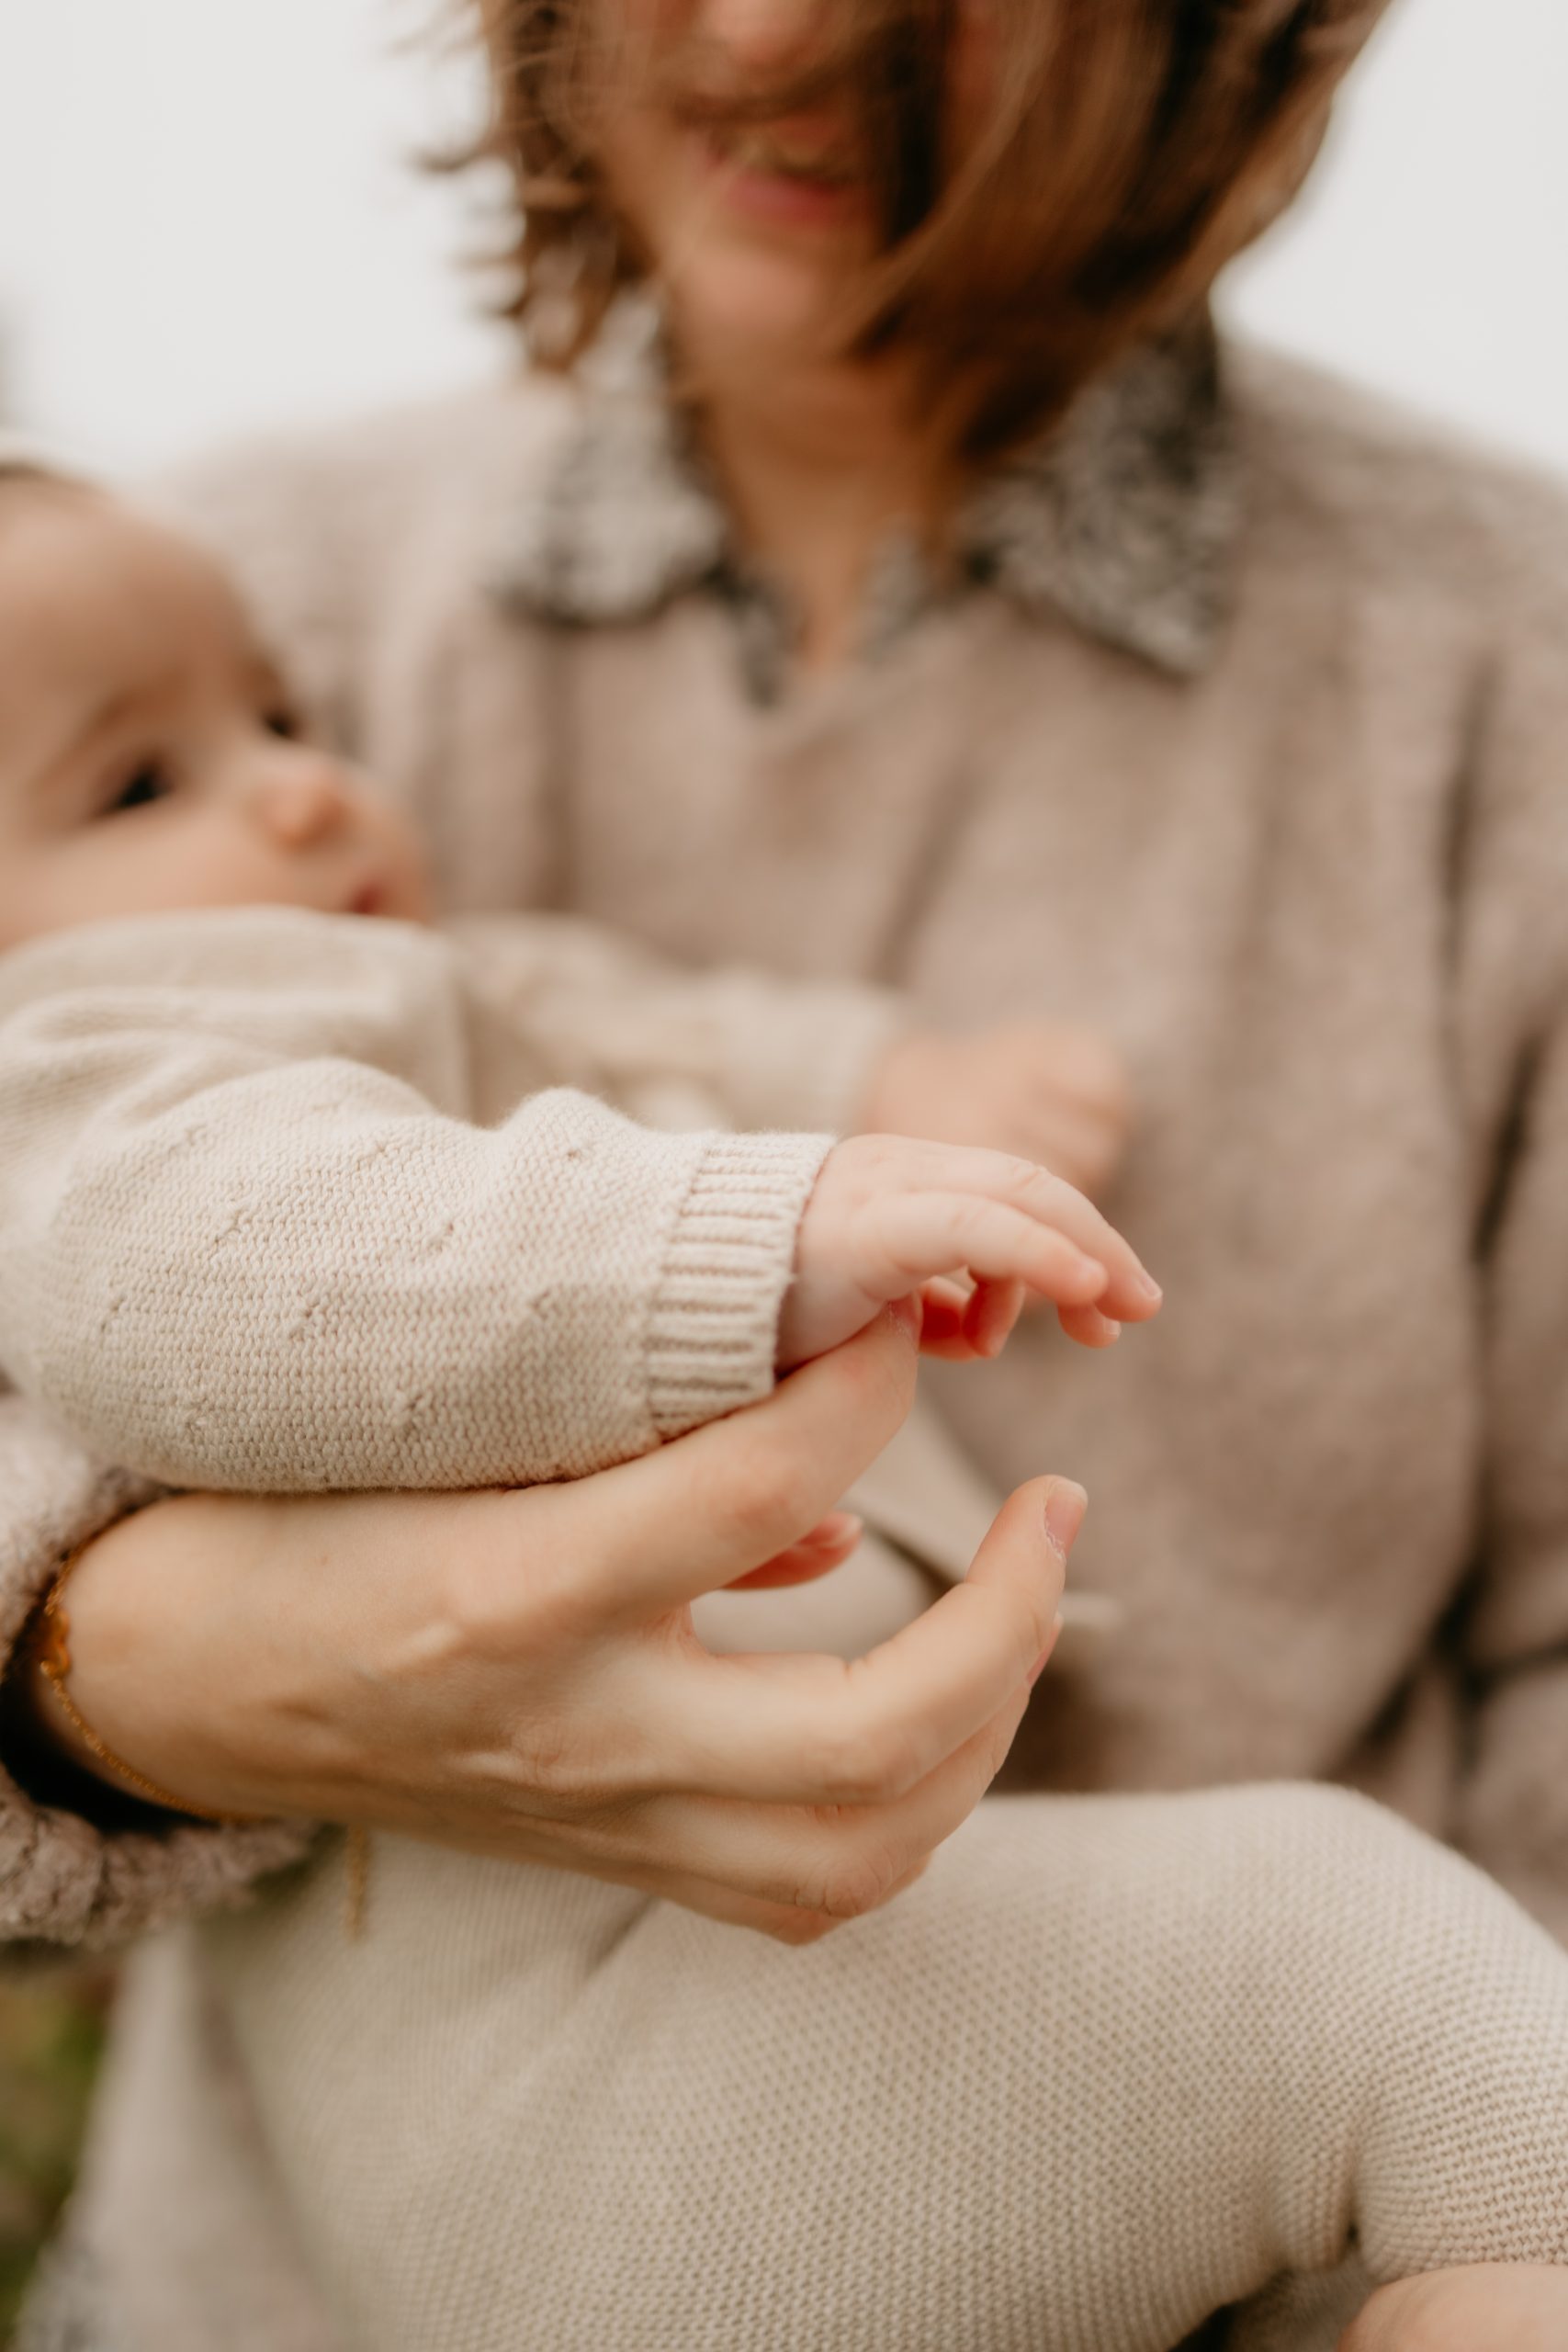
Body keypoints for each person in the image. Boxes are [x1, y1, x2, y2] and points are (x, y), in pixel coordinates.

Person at [6, 0, 1568, 2341]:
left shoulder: (1498, 688)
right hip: (439, 2205)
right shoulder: (195, 599)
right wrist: (119, 1677)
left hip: (1207, 2239)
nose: (760, 24)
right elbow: (138, 1215)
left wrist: (870, 1085)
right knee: (1382, 1990)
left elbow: (590, 1022)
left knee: (1426, 2031)